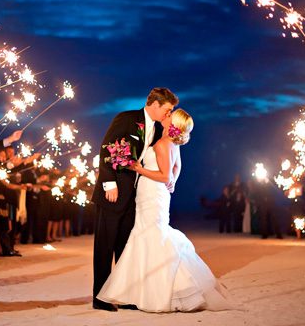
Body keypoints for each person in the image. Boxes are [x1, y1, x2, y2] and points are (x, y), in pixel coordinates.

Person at [97, 109, 230, 312]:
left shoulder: (162, 144)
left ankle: (152, 291)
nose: (166, 115)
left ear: (172, 123)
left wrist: (138, 169)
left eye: (170, 114)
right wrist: (173, 183)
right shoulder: (172, 144)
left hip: (152, 192)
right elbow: (177, 168)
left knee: (149, 236)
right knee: (149, 235)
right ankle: (139, 291)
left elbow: (165, 175)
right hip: (155, 195)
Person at [91, 87, 178, 311]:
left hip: (136, 196)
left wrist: (172, 179)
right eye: (168, 109)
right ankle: (99, 297)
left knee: (125, 246)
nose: (169, 114)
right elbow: (106, 149)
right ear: (156, 104)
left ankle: (125, 294)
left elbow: (168, 156)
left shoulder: (159, 131)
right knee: (105, 245)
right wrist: (109, 183)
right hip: (113, 192)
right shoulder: (126, 118)